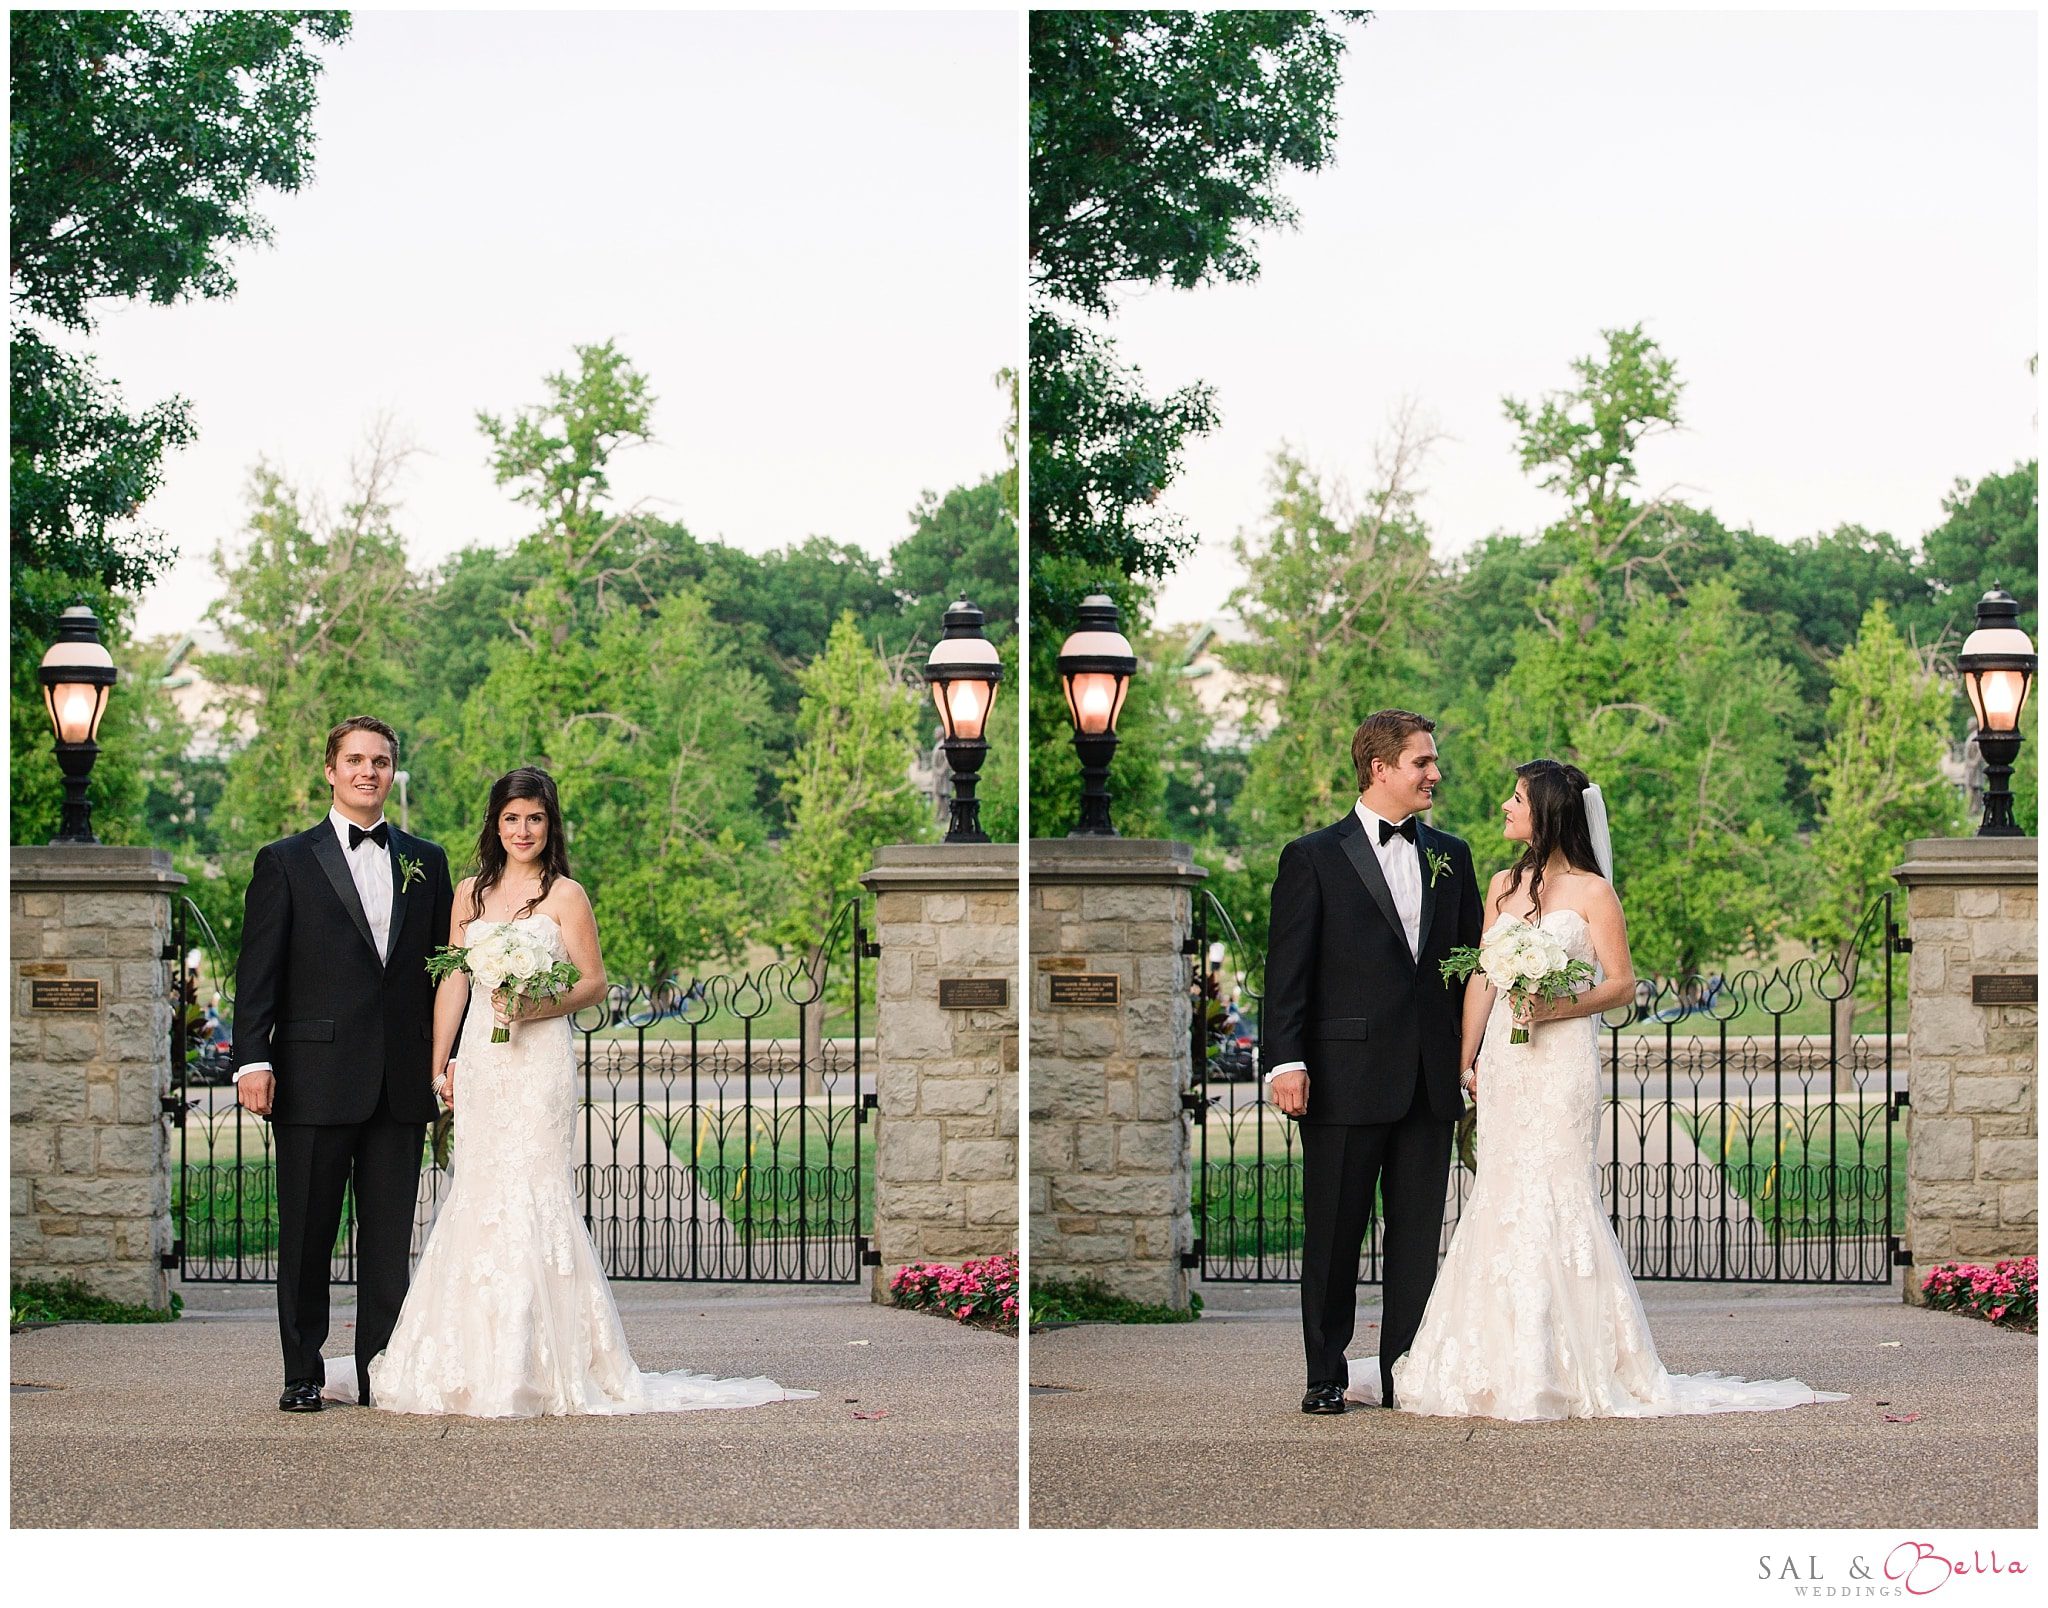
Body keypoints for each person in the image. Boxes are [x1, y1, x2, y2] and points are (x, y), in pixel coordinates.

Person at [1346, 759, 1847, 1419]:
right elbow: (1482, 980)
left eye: (1516, 798)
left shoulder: (1592, 893)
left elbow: (1621, 985)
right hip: (1506, 1063)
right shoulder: (1500, 885)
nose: (1505, 806)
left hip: (1560, 1063)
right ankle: (1493, 1358)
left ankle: (1568, 1363)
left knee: (1558, 1194)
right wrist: (1463, 1062)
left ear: (1547, 811)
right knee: (1500, 1194)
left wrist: (1558, 1005)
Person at [347, 766, 816, 1417]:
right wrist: (440, 1066)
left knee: (536, 1190)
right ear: (495, 823)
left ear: (549, 824)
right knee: (477, 1192)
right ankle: (471, 1355)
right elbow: (452, 982)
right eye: (511, 818)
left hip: (537, 1062)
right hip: (482, 1062)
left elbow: (593, 983)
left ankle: (544, 1361)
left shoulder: (566, 895)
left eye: (534, 819)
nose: (522, 830)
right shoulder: (469, 894)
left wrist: (535, 1007)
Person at [1262, 710, 1483, 1414]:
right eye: (1423, 762)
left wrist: (1473, 1058)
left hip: (1428, 1080)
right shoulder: (1313, 856)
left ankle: (1403, 1375)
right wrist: (1285, 1062)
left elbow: (1473, 963)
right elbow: (1286, 972)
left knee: (1417, 1242)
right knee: (1334, 1234)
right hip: (1341, 1078)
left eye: (1433, 761)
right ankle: (1324, 1373)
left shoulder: (1454, 854)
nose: (1435, 775)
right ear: (1380, 768)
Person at [233, 716, 454, 1412]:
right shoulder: (285, 861)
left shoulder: (428, 859)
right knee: (306, 1236)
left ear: (393, 772)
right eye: (355, 760)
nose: (368, 771)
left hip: (399, 1082)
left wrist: (450, 1064)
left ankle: (378, 1372)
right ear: (330, 770)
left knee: (388, 1244)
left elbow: (445, 972)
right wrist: (252, 1062)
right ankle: (302, 1372)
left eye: (381, 761)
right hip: (312, 1079)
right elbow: (257, 973)